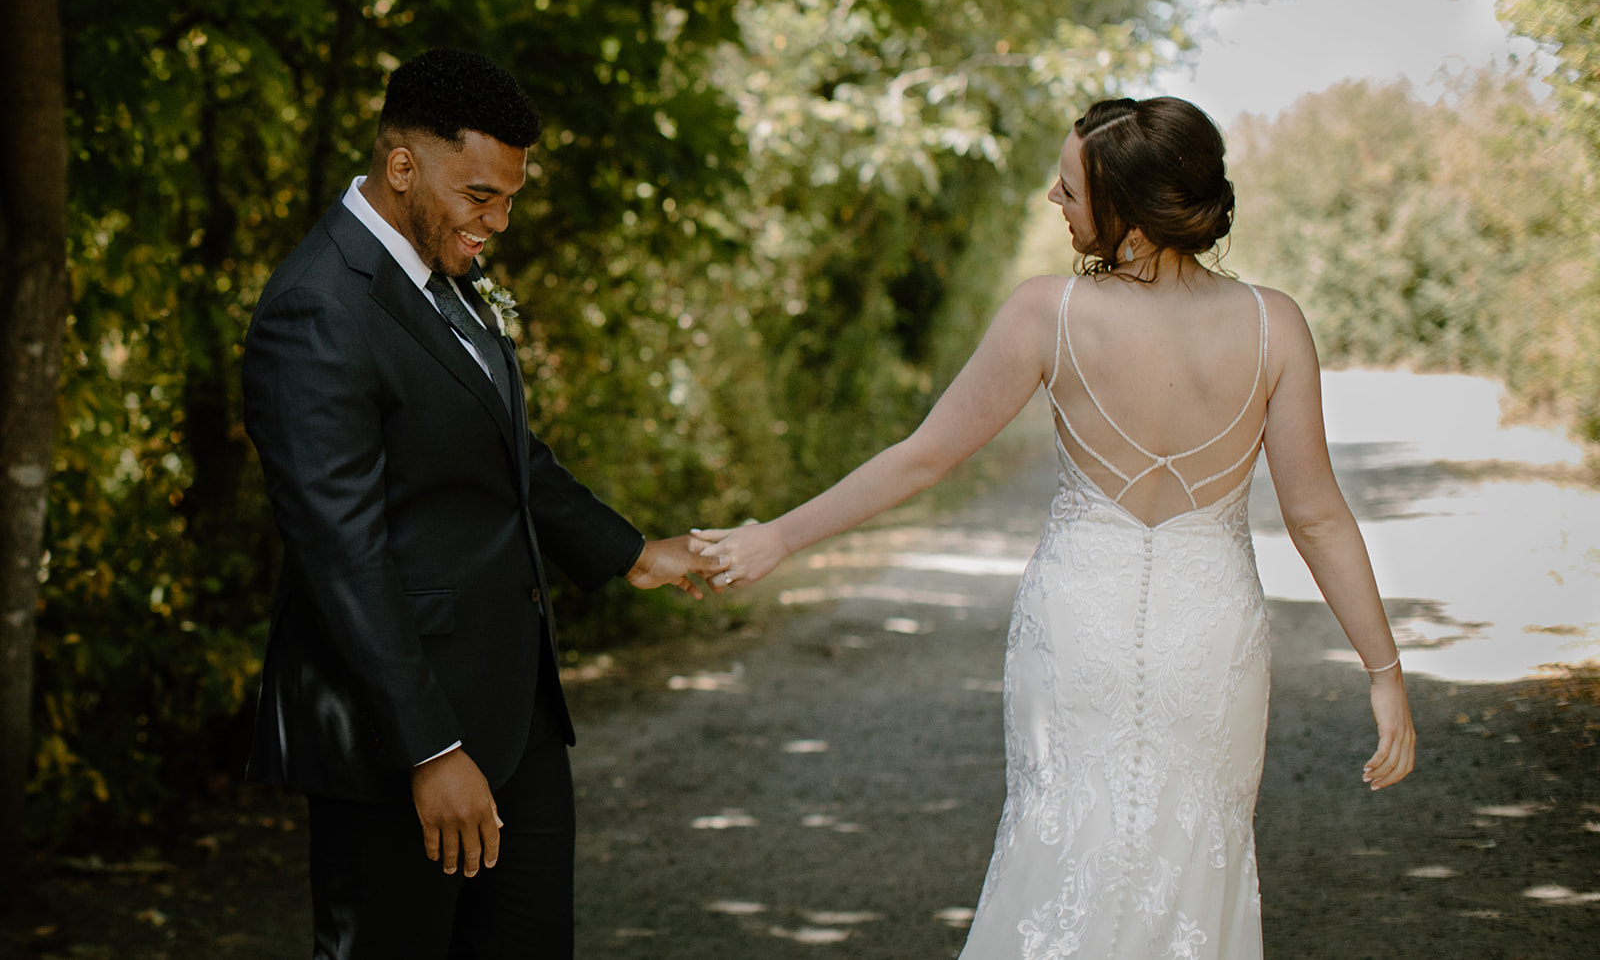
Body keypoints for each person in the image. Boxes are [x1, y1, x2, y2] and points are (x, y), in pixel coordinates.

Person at [691, 96, 1416, 958]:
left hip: (1077, 628)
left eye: (1070, 190)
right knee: (1196, 855)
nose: (1053, 199)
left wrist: (778, 536)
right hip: (1212, 640)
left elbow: (924, 457)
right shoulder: (1275, 324)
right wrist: (1383, 670)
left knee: (1058, 841)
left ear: (1131, 216)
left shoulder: (1048, 313)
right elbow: (1317, 515)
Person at [241, 48, 725, 958]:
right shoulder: (315, 307)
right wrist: (429, 750)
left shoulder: (442, 271)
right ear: (401, 166)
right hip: (398, 735)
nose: (497, 222)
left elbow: (506, 454)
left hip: (515, 711)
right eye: (480, 196)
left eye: (509, 197)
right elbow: (341, 553)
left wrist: (631, 553)